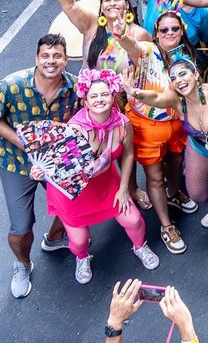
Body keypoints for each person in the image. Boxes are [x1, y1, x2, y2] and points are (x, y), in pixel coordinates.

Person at [131, 57, 208, 283]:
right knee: (197, 194)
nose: (179, 80)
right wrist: (136, 93)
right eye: (174, 77)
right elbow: (155, 98)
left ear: (196, 75)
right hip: (199, 146)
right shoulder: (176, 100)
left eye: (183, 73)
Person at [0, 33, 78, 299]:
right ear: (36, 58)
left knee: (74, 203)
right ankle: (22, 264)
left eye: (57, 56)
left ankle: (54, 238)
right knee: (20, 227)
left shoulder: (76, 88)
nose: (51, 61)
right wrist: (22, 142)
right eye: (45, 56)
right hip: (15, 162)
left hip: (54, 162)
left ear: (66, 60)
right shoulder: (12, 85)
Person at [49, 66, 162, 284]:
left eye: (104, 94)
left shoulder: (123, 124)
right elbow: (59, 166)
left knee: (134, 220)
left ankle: (140, 246)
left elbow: (128, 154)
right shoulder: (75, 129)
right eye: (94, 96)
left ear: (112, 96)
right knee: (79, 241)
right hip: (75, 193)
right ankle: (82, 257)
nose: (99, 99)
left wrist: (124, 189)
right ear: (86, 101)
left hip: (106, 184)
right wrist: (40, 172)